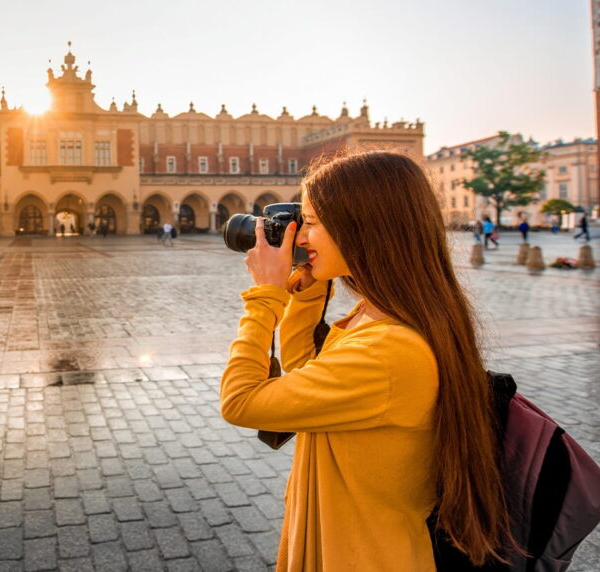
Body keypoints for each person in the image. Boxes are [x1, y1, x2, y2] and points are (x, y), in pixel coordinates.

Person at [221, 150, 516, 570]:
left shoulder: (389, 350)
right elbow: (309, 372)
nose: (300, 238)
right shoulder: (378, 315)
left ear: (364, 228)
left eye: (313, 223)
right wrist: (304, 295)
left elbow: (242, 401)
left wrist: (265, 297)